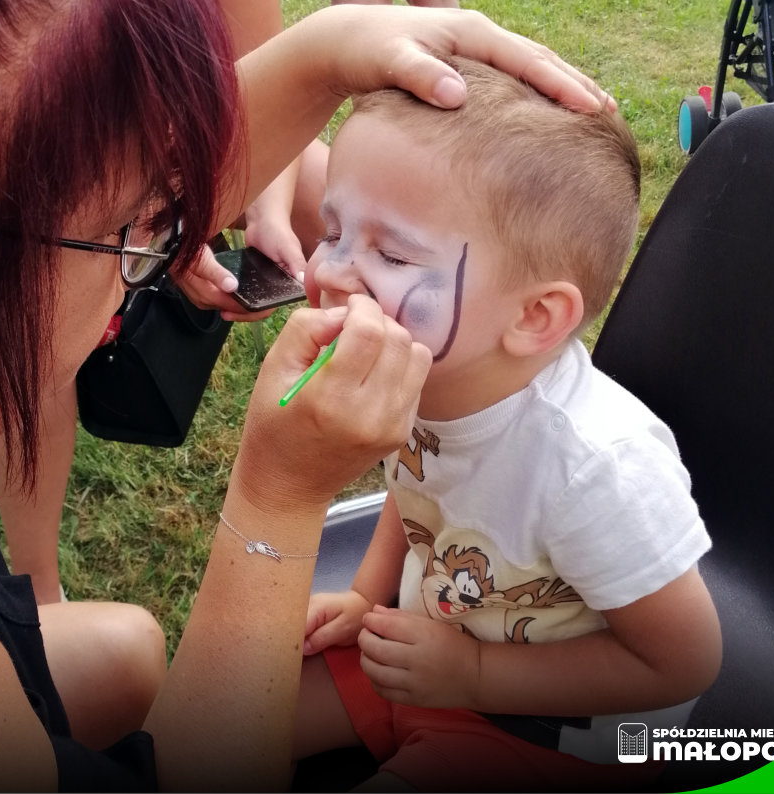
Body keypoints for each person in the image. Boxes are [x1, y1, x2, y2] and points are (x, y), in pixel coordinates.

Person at [0, 1, 611, 790]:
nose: (156, 255)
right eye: (127, 230)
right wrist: (275, 504)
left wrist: (322, 56)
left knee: (128, 650)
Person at [293, 57, 723, 792]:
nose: (330, 272)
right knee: (222, 724)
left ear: (533, 317)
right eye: (332, 231)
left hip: (551, 729)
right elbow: (418, 486)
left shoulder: (594, 470)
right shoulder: (422, 375)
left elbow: (681, 663)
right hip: (425, 648)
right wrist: (366, 598)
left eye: (391, 253)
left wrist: (477, 675)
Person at [0, 0, 461, 608]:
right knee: (41, 306)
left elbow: (259, 90)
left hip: (195, 137)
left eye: (390, 259)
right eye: (337, 246)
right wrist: (163, 236)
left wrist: (265, 208)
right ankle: (37, 583)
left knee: (360, 198)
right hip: (55, 160)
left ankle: (449, 432)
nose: (330, 275)